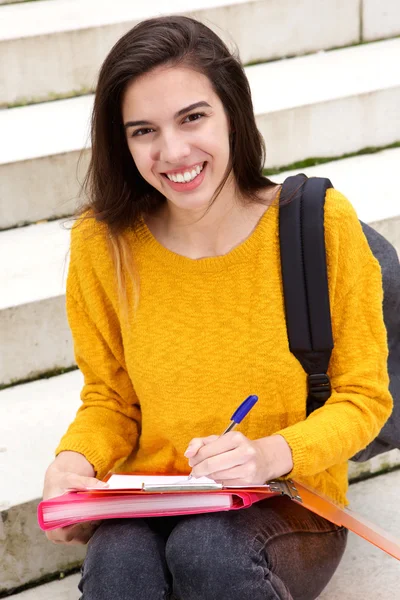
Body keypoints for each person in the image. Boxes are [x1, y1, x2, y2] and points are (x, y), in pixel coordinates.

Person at [43, 15, 393, 600]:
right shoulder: (102, 245)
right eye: (142, 131)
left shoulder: (318, 225)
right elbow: (110, 398)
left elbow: (365, 397)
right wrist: (73, 462)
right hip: (154, 498)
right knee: (119, 564)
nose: (172, 151)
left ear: (233, 111)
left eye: (193, 117)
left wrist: (266, 455)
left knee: (208, 549)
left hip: (288, 501)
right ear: (120, 141)